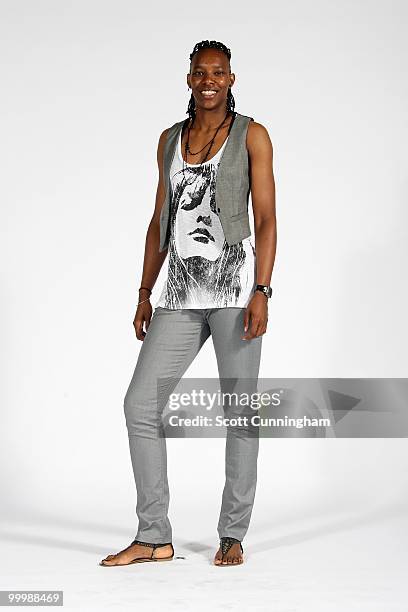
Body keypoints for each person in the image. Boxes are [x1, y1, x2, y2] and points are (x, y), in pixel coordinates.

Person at [100, 39, 276, 568]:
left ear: (231, 79)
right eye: (200, 72)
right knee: (140, 405)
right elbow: (159, 221)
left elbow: (266, 218)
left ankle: (233, 533)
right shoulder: (170, 139)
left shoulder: (252, 136)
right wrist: (143, 292)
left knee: (239, 412)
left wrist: (262, 290)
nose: (209, 80)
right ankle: (154, 535)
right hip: (178, 292)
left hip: (232, 291)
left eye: (218, 72)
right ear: (189, 79)